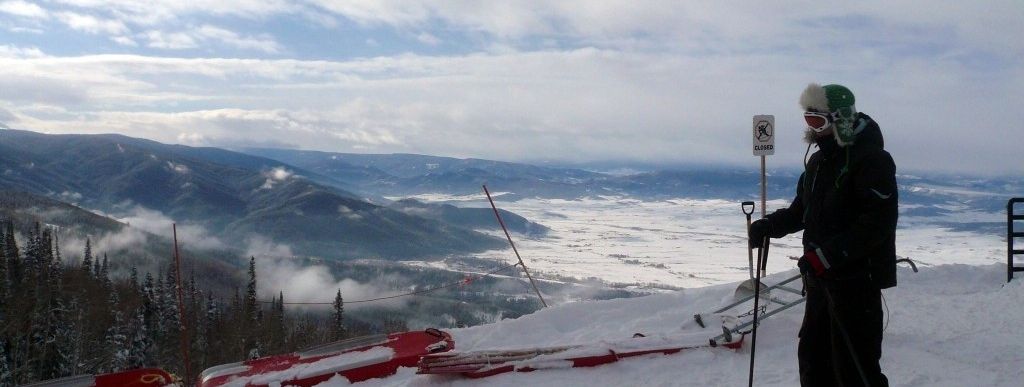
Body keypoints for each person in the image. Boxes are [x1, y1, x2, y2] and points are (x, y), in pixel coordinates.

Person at [748, 83, 898, 387]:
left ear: (840, 119)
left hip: (856, 284)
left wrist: (827, 257)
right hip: (819, 282)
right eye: (808, 120)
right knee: (814, 362)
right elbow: (801, 212)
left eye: (818, 121)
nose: (812, 130)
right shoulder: (818, 163)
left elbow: (877, 225)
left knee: (854, 368)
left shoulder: (872, 161)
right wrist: (770, 226)